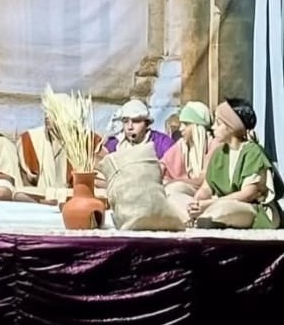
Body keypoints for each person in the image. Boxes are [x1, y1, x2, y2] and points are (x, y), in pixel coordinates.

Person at [187, 98, 283, 229]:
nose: (213, 127)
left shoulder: (253, 152)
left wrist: (209, 204)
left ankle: (209, 217)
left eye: (218, 123)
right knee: (175, 196)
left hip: (252, 208)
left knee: (222, 210)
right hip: (218, 204)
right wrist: (195, 203)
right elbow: (206, 188)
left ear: (231, 126)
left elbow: (248, 194)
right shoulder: (219, 153)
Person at [160, 101, 219, 195]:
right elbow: (162, 165)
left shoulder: (214, 145)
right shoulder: (182, 144)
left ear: (198, 127)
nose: (180, 129)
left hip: (205, 193)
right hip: (185, 188)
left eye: (186, 124)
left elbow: (202, 180)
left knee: (175, 188)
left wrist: (172, 182)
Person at [104, 99, 174, 159]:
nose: (130, 127)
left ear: (147, 123)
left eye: (136, 121)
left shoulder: (162, 143)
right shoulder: (113, 144)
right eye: (126, 121)